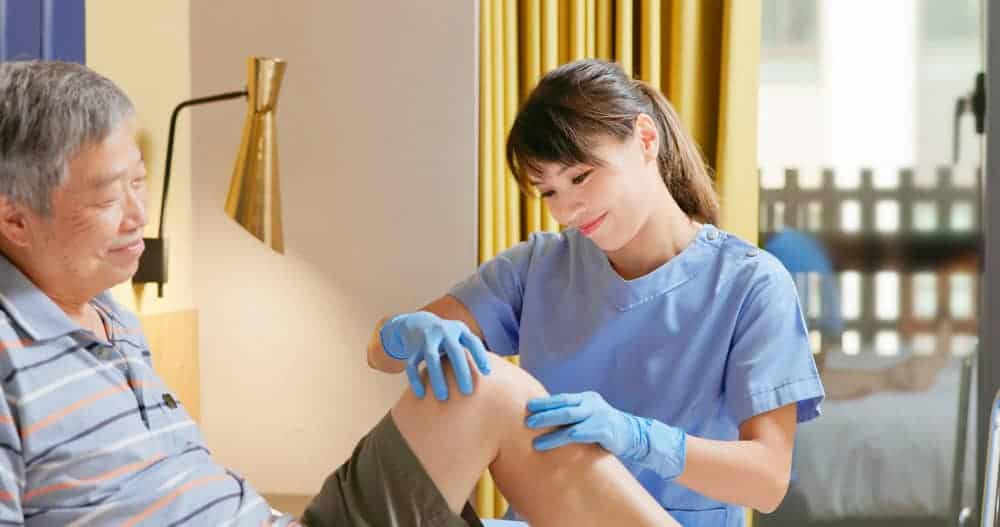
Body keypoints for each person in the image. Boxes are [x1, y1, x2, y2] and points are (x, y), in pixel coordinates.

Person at [0, 60, 681, 526]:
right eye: (106, 196)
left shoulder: (110, 313)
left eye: (139, 181)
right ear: (14, 217)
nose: (137, 215)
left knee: (490, 390)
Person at [368, 59, 826, 526]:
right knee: (459, 388)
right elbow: (380, 356)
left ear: (646, 139)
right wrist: (404, 334)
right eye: (547, 192)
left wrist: (638, 438)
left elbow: (767, 481)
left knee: (496, 388)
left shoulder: (751, 285)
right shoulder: (540, 267)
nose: (566, 210)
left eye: (580, 177)